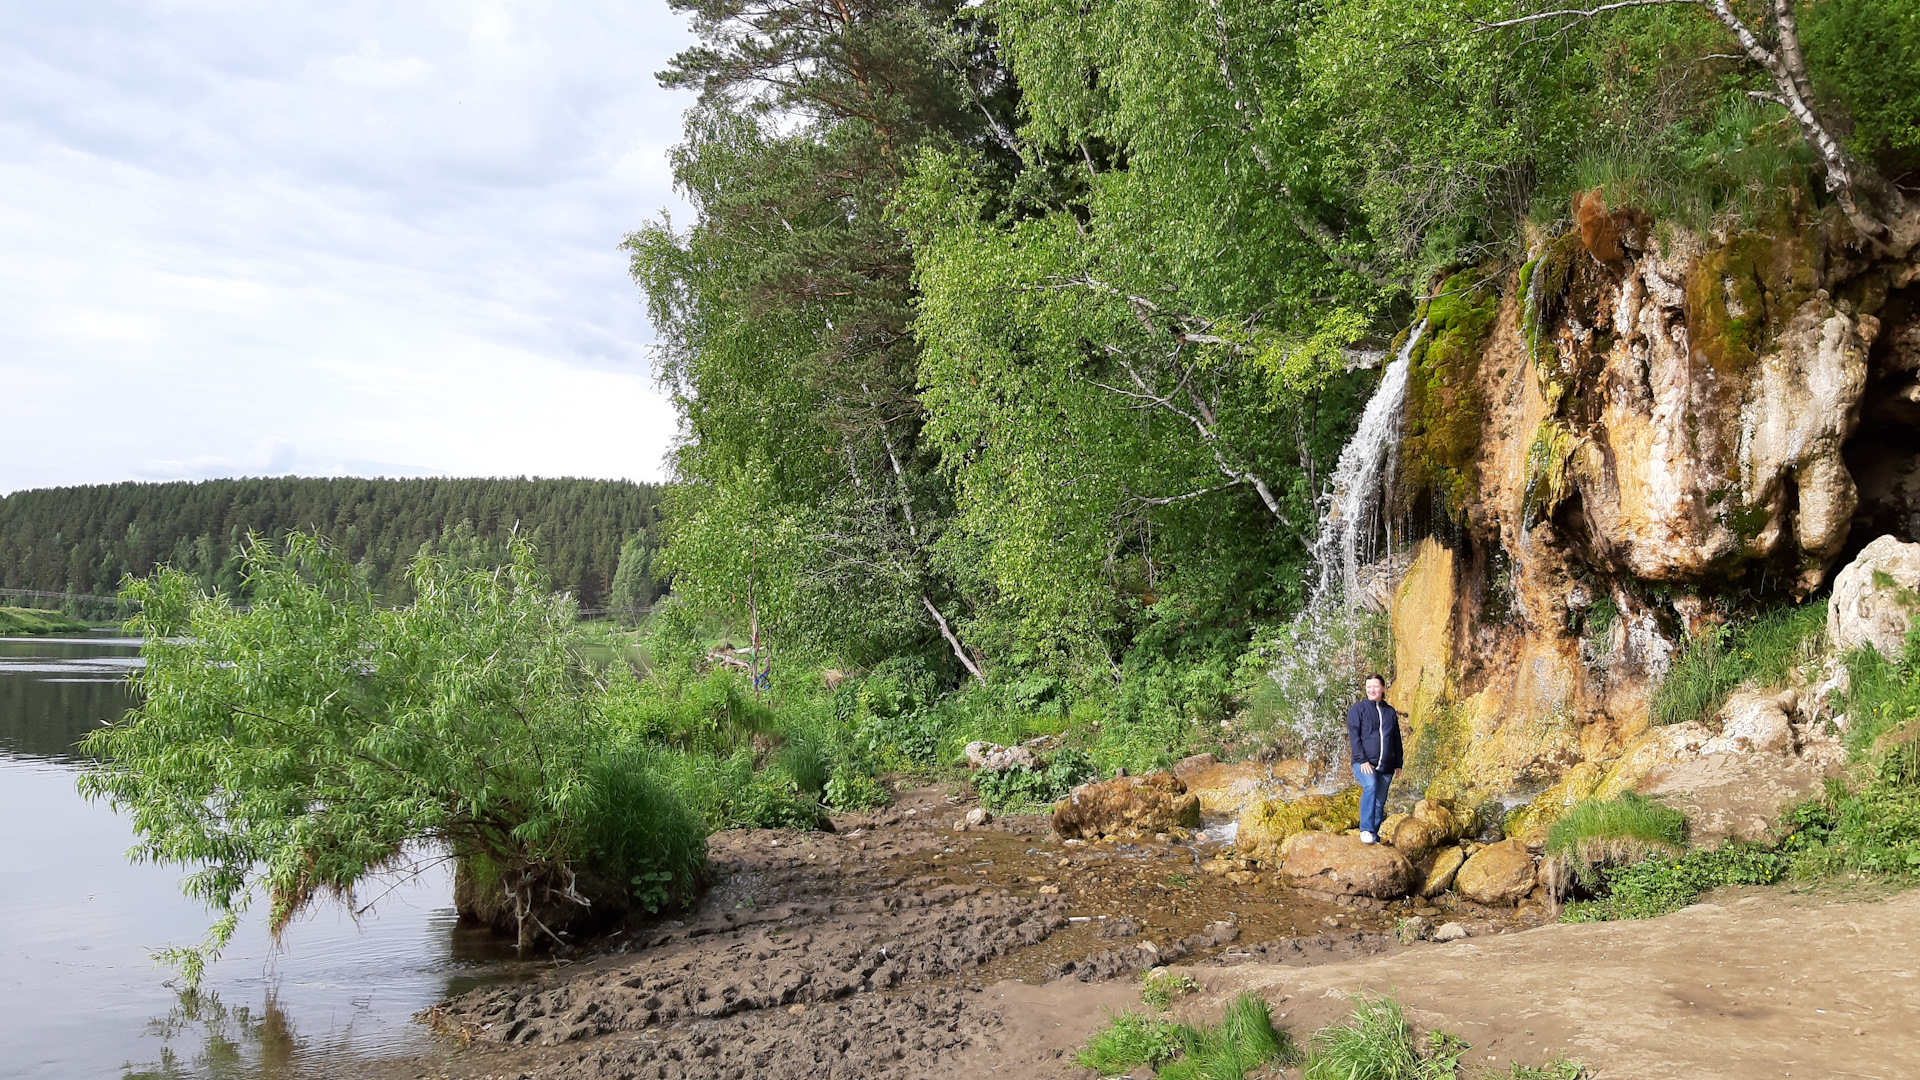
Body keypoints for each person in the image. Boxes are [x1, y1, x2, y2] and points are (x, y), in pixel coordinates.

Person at [1345, 674, 1403, 845]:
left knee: (1379, 802)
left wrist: (1398, 762)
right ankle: (1365, 830)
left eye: (1376, 686)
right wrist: (1362, 760)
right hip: (1363, 763)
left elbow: (1396, 739)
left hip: (1386, 765)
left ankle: (1374, 835)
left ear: (1383, 688)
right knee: (1370, 786)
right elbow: (1354, 738)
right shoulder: (1358, 709)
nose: (1372, 690)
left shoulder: (1390, 712)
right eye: (1368, 686)